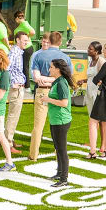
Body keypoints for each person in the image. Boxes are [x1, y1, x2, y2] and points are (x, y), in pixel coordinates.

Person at [28, 32, 70, 160]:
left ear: (49, 41)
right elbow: (67, 77)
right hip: (58, 90)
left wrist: (44, 79)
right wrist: (52, 79)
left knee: (38, 125)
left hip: (42, 90)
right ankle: (58, 153)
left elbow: (36, 77)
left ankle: (33, 154)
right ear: (60, 42)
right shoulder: (65, 57)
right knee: (57, 123)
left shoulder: (39, 55)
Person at [42, 58, 75, 188]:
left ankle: (64, 178)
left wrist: (48, 99)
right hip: (55, 119)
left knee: (62, 150)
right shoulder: (58, 81)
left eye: (51, 67)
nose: (49, 69)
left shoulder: (61, 83)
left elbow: (64, 103)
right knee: (58, 148)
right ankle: (59, 173)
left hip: (61, 120)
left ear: (57, 69)